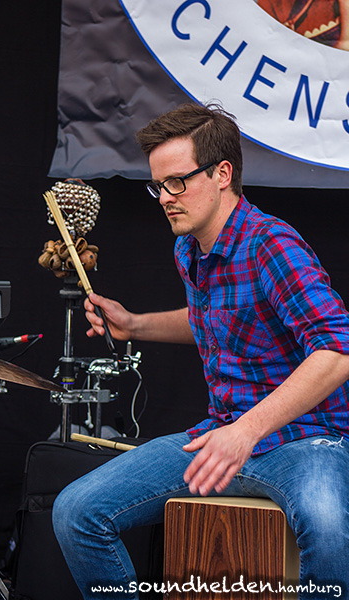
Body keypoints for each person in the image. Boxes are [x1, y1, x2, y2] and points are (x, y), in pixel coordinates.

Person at [52, 103, 349, 599]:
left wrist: (245, 431)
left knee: (328, 528)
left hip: (305, 441)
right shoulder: (189, 247)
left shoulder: (272, 245)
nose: (166, 198)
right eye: (158, 186)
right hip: (219, 434)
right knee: (76, 512)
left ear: (222, 174)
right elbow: (215, 320)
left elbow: (338, 350)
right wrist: (134, 325)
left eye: (177, 182)